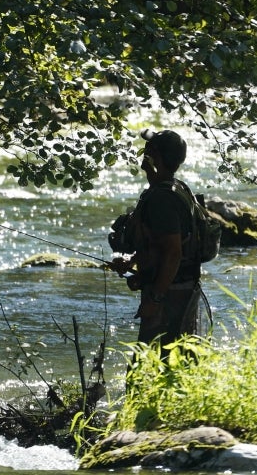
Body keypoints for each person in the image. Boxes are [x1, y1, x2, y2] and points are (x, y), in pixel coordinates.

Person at [109, 129, 203, 357]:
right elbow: (160, 246)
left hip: (169, 294)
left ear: (155, 158)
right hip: (178, 288)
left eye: (148, 150)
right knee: (174, 360)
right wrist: (132, 260)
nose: (143, 154)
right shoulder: (176, 188)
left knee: (149, 367)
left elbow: (173, 253)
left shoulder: (162, 199)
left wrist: (155, 298)